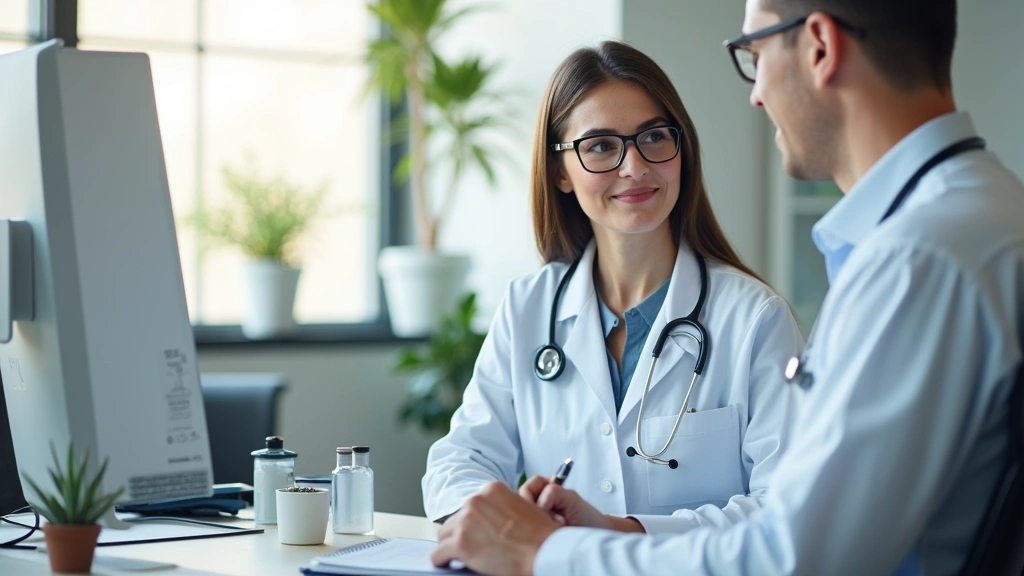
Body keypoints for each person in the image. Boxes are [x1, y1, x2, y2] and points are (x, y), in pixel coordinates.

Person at [429, 1, 1024, 575]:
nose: (756, 93)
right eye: (602, 146)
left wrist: (546, 553)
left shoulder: (918, 261)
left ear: (820, 46)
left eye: (754, 52)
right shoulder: (973, 221)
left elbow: (794, 553)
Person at [421, 40, 804, 529]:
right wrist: (503, 521)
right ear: (560, 172)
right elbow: (457, 462)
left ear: (682, 148)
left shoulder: (756, 319)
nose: (635, 166)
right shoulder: (528, 307)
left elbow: (786, 507)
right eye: (601, 146)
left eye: (654, 137)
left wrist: (624, 533)